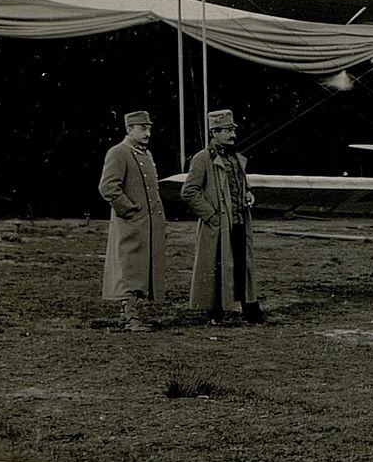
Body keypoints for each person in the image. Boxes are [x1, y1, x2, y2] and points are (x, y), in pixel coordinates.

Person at [182, 109, 265, 325]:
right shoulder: (202, 159)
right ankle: (215, 314)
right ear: (214, 132)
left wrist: (248, 192)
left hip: (238, 222)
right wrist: (212, 215)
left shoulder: (236, 159)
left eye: (233, 130)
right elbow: (189, 191)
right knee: (216, 268)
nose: (233, 135)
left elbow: (241, 185)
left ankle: (251, 310)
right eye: (227, 131)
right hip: (218, 226)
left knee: (242, 267)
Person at [98, 110, 167, 331]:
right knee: (128, 269)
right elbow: (108, 187)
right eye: (142, 128)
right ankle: (129, 317)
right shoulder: (119, 152)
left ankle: (129, 314)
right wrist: (129, 210)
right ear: (129, 129)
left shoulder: (144, 154)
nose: (147, 133)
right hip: (130, 224)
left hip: (146, 226)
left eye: (149, 128)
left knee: (140, 269)